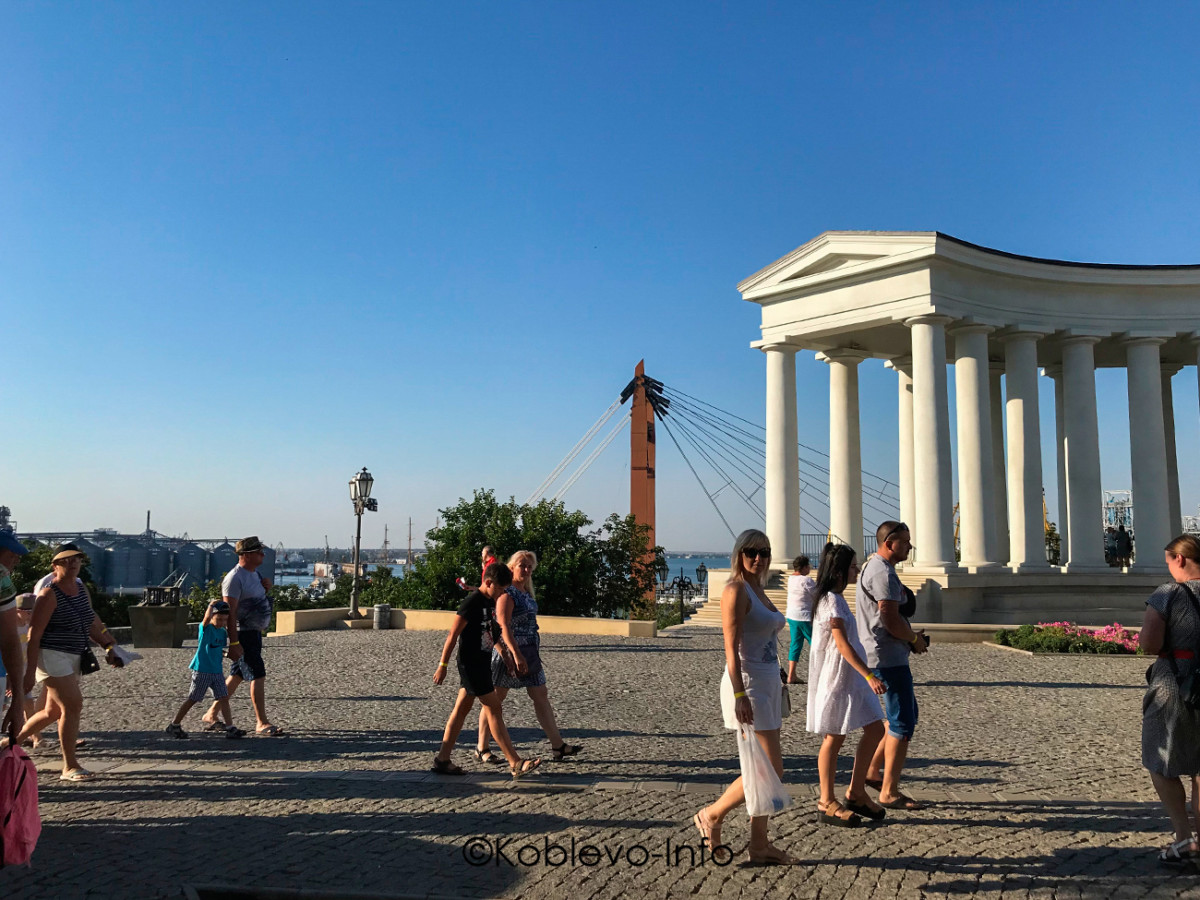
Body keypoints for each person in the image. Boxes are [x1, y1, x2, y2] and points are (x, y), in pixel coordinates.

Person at [692, 528, 794, 866]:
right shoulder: (736, 590)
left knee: (765, 768)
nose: (758, 558)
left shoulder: (759, 589)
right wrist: (739, 694)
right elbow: (731, 647)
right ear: (739, 554)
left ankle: (759, 843)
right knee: (770, 769)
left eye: (764, 552)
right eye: (751, 552)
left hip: (767, 682)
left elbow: (764, 637)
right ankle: (712, 814)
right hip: (747, 685)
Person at [14, 545, 122, 781]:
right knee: (72, 705)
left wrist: (108, 645)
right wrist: (29, 673)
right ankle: (70, 766)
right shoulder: (48, 594)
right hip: (51, 655)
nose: (72, 564)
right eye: (65, 560)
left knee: (51, 712)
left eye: (76, 559)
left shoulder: (81, 589)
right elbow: (34, 635)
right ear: (55, 566)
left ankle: (10, 743)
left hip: (74, 654)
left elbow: (88, 621)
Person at [432, 562, 541, 779]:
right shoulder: (471, 603)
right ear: (488, 582)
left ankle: (442, 759)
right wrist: (442, 666)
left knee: (461, 710)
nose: (501, 594)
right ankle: (515, 762)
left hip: (482, 662)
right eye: (499, 589)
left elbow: (492, 633)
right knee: (494, 708)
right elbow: (452, 636)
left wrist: (506, 656)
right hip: (470, 664)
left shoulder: (490, 602)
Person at [806, 544, 888, 826]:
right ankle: (826, 800)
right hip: (838, 676)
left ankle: (856, 791)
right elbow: (841, 644)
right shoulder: (831, 600)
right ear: (840, 571)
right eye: (853, 566)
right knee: (834, 737)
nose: (857, 570)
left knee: (876, 728)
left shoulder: (835, 598)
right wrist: (869, 675)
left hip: (850, 676)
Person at [475, 550, 581, 762]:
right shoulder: (507, 594)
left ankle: (558, 745)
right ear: (512, 567)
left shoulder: (526, 592)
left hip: (530, 652)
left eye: (530, 567)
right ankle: (482, 747)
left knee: (540, 694)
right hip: (509, 654)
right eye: (522, 566)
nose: (526, 570)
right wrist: (514, 654)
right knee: (494, 699)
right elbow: (502, 626)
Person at [857, 521, 929, 811]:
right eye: (905, 541)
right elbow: (888, 618)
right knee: (902, 722)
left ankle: (872, 771)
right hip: (886, 658)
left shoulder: (874, 567)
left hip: (886, 654)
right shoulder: (882, 573)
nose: (910, 546)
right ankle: (888, 791)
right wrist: (913, 639)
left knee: (905, 715)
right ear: (889, 543)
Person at [1139, 534, 1200, 864]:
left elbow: (1149, 644)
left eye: (1168, 562)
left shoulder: (1168, 594)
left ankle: (1184, 837)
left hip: (1174, 684)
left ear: (1180, 559)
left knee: (1159, 759)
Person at [203, 536, 281, 736]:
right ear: (246, 555)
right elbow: (230, 613)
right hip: (243, 634)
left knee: (237, 675)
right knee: (258, 674)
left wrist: (265, 588)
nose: (262, 554)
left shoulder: (254, 574)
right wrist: (234, 642)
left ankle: (211, 714)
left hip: (254, 632)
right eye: (258, 552)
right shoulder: (234, 578)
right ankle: (261, 722)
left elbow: (254, 599)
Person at [166, 600, 244, 739]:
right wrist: (211, 605)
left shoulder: (222, 632)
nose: (221, 623)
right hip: (202, 670)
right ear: (213, 617)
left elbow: (217, 649)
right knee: (193, 699)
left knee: (223, 698)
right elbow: (206, 619)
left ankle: (230, 727)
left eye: (224, 620)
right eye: (219, 619)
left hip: (217, 671)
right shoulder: (205, 629)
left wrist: (227, 654)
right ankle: (174, 724)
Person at [0, 532, 29, 738]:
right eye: (12, 555)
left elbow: (10, 640)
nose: (16, 561)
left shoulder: (3, 582)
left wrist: (18, 701)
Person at [784, 555, 815, 684]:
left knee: (795, 645)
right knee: (816, 644)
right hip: (805, 616)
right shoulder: (806, 580)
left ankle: (791, 675)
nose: (810, 568)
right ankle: (818, 674)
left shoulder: (791, 578)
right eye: (808, 566)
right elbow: (817, 594)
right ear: (804, 567)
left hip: (792, 616)